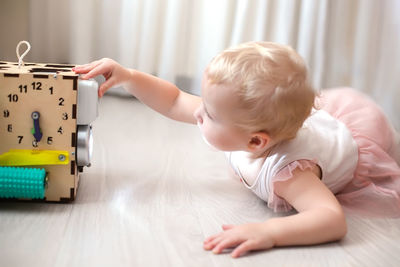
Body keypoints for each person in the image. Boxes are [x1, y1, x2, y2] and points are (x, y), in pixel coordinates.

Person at [73, 42, 400, 258]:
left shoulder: (290, 174)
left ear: (256, 142)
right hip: (324, 117)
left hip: (358, 133)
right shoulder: (238, 123)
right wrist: (128, 76)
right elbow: (173, 100)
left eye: (210, 114)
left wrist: (269, 232)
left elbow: (331, 219)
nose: (199, 111)